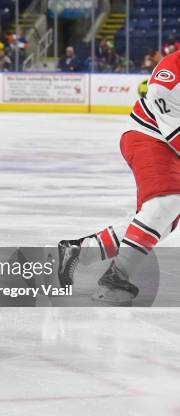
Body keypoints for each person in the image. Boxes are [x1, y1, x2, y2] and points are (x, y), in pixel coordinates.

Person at [57, 50, 179, 304]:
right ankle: (114, 279)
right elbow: (176, 136)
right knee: (166, 203)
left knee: (162, 222)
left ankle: (81, 251)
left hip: (169, 142)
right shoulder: (169, 78)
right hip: (150, 137)